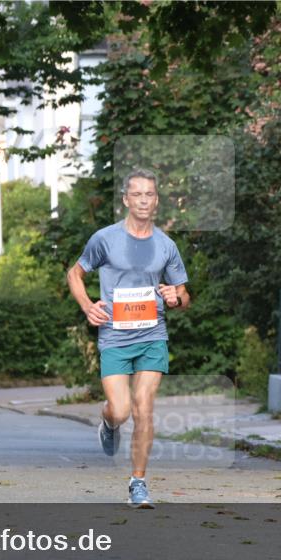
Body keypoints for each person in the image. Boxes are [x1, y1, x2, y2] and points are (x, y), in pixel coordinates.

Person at [66, 168, 190, 508]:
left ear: (157, 200)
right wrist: (88, 305)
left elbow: (183, 296)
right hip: (115, 337)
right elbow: (74, 274)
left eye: (149, 194)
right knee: (121, 410)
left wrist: (174, 298)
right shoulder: (104, 239)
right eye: (137, 194)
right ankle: (108, 422)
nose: (143, 200)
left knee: (143, 407)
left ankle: (138, 483)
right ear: (126, 199)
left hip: (153, 335)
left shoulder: (166, 245)